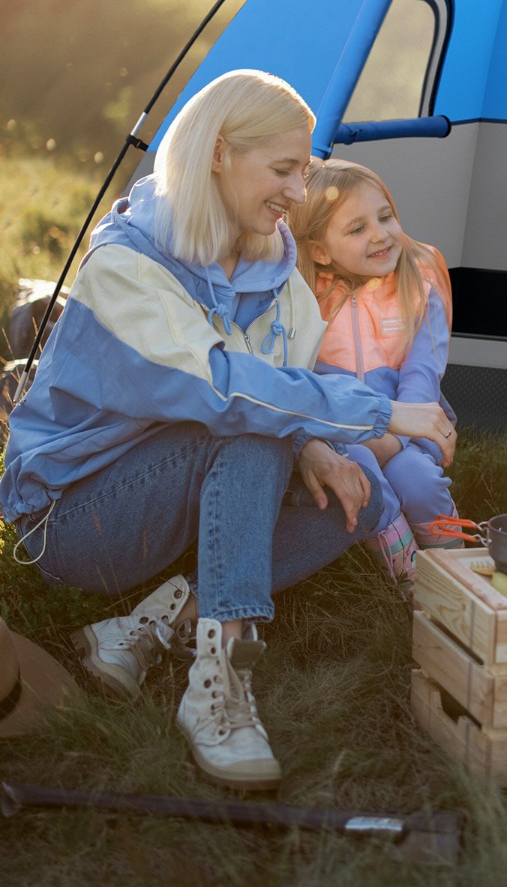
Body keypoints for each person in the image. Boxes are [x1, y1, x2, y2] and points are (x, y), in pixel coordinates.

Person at [0, 69, 457, 789]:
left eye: (303, 172)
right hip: (75, 519)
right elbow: (220, 388)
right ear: (218, 152)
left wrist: (313, 445)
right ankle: (220, 676)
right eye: (283, 170)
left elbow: (262, 389)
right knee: (248, 426)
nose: (299, 195)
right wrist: (376, 410)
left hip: (183, 485)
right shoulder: (126, 266)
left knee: (361, 487)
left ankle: (153, 620)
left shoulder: (274, 269)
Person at [291, 158, 461, 587]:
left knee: (418, 480)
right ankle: (406, 572)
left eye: (385, 217)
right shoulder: (303, 299)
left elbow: (422, 377)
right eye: (357, 228)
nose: (381, 234)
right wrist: (367, 437)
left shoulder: (417, 287)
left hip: (409, 426)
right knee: (363, 468)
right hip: (341, 434)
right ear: (320, 250)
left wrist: (397, 436)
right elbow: (303, 381)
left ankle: (455, 569)